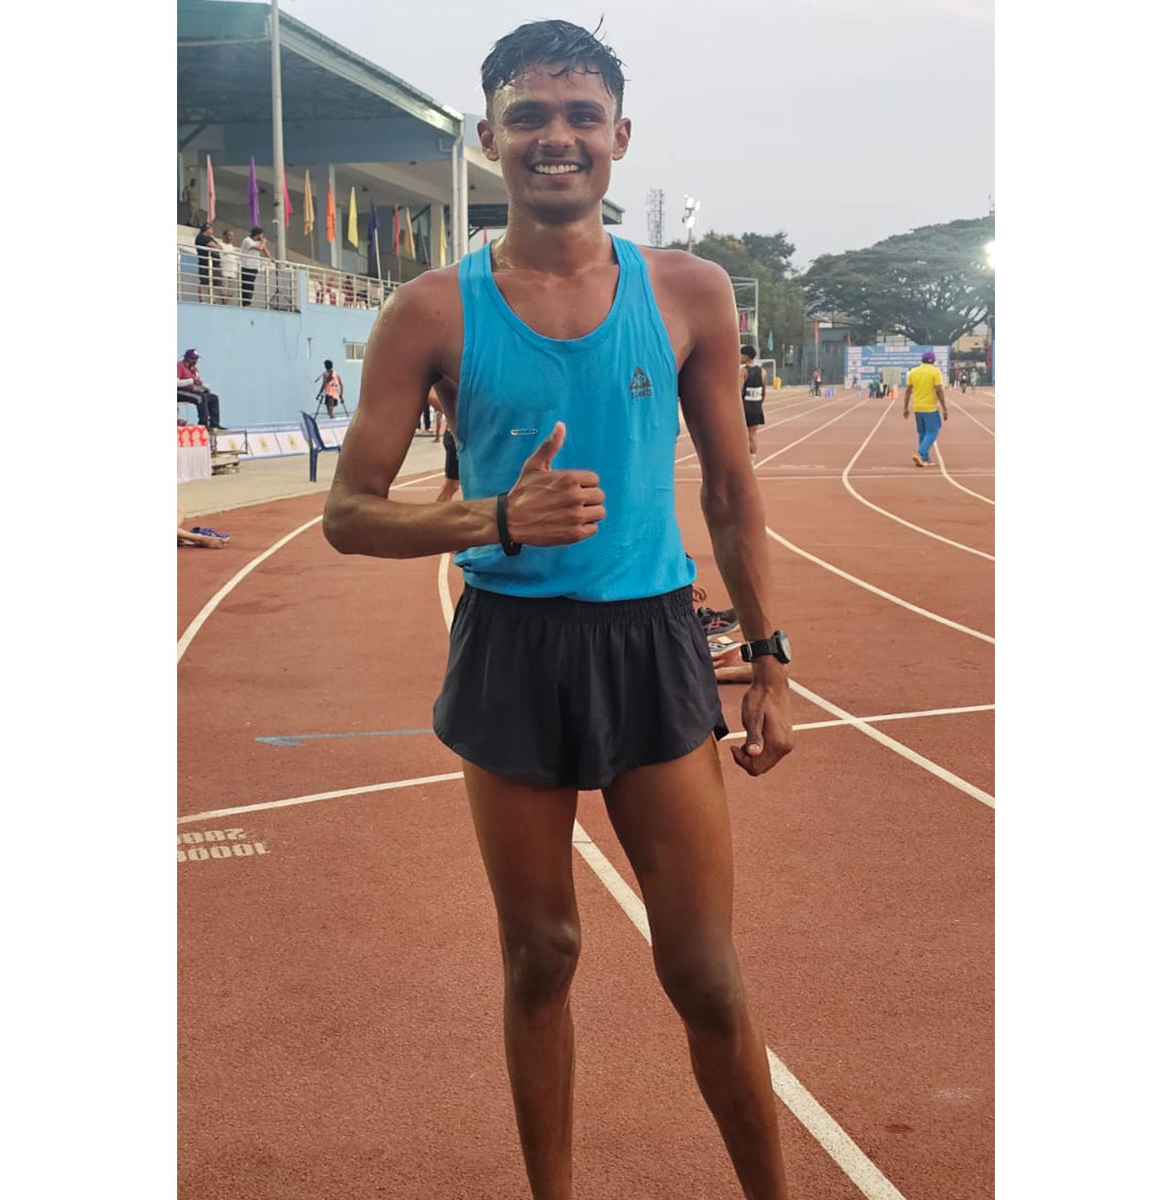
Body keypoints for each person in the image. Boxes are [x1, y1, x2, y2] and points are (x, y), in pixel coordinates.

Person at [322, 20, 793, 1198]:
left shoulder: (688, 290)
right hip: (512, 651)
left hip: (652, 645)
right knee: (540, 956)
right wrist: (494, 520)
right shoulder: (429, 311)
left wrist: (771, 661)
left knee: (705, 974)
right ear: (489, 141)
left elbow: (732, 491)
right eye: (527, 116)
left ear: (619, 139)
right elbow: (348, 513)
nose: (555, 138)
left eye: (580, 116)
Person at [902, 349, 949, 467]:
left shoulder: (913, 372)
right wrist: (944, 408)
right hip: (930, 408)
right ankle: (920, 453)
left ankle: (925, 458)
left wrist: (905, 407)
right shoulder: (935, 372)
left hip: (917, 407)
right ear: (933, 361)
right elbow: (939, 390)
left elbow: (908, 391)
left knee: (922, 433)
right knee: (933, 431)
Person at [176, 349, 223, 430]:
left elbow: (195, 384)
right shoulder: (179, 366)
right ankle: (203, 424)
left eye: (196, 359)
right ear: (186, 358)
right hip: (179, 391)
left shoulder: (194, 370)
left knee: (213, 398)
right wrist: (191, 381)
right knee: (200, 397)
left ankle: (214, 424)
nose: (195, 361)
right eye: (193, 358)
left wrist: (203, 387)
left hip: (191, 391)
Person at [431, 381, 461, 503]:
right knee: (452, 485)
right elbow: (432, 397)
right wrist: (458, 415)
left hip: (475, 434)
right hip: (456, 435)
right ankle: (433, 519)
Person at [740, 343, 766, 460]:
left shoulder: (743, 372)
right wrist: (759, 404)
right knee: (753, 434)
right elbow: (764, 392)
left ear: (746, 357)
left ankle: (743, 460)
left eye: (741, 355)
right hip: (756, 405)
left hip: (745, 406)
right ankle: (752, 460)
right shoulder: (763, 372)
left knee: (741, 434)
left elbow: (739, 391)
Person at [239, 226, 271, 307]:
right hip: (247, 266)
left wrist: (271, 258)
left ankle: (248, 302)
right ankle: (245, 303)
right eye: (261, 234)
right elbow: (260, 248)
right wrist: (263, 242)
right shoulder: (247, 240)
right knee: (246, 285)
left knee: (251, 285)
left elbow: (264, 249)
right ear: (258, 234)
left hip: (254, 266)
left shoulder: (258, 241)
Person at [193, 223, 223, 302]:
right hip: (205, 262)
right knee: (204, 281)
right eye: (211, 228)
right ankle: (202, 299)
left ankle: (213, 299)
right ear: (207, 229)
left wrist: (216, 246)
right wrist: (215, 246)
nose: (212, 230)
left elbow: (219, 246)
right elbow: (213, 245)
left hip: (214, 263)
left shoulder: (210, 238)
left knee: (213, 283)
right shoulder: (201, 237)